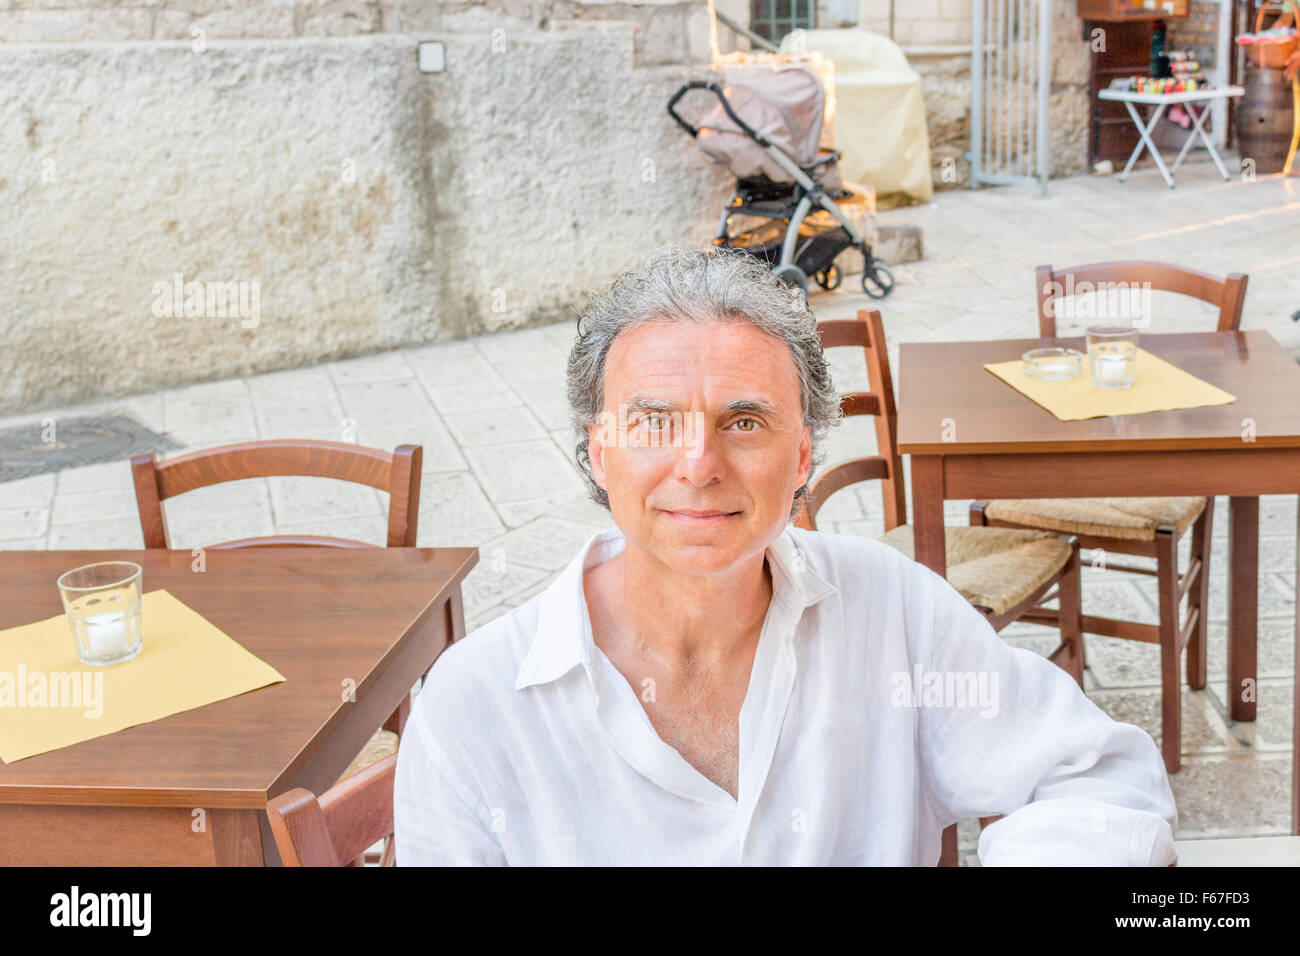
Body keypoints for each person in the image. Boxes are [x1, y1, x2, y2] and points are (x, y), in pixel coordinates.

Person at [394, 245, 1178, 865]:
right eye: (654, 421)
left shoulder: (895, 612)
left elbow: (1098, 778)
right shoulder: (478, 705)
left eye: (744, 422)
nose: (698, 464)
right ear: (599, 453)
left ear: (801, 457)